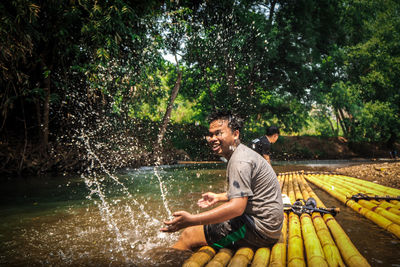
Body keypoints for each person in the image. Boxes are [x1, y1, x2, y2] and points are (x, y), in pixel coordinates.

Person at [161, 110, 283, 251]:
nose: (213, 138)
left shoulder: (239, 161)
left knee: (189, 234)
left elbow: (237, 208)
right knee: (202, 229)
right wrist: (219, 197)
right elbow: (248, 192)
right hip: (268, 226)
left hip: (260, 232)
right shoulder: (241, 153)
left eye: (219, 133)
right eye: (211, 134)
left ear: (235, 134)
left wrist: (191, 220)